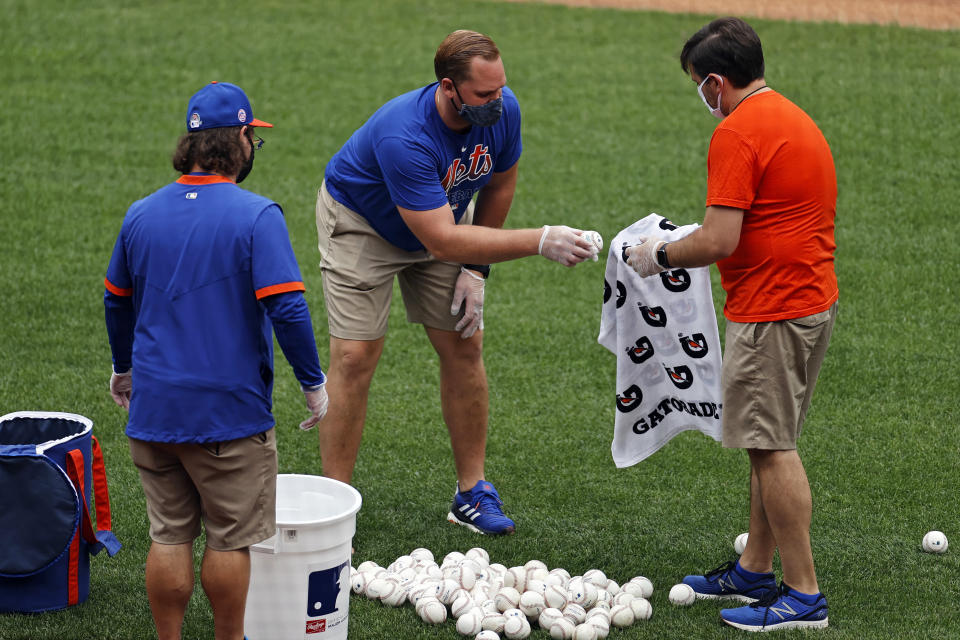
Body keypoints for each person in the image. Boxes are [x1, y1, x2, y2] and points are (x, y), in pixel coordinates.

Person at [315, 29, 597, 536]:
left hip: (442, 215)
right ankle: (334, 510)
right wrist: (540, 240)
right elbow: (441, 240)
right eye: (484, 94)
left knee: (466, 344)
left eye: (501, 88)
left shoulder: (504, 109)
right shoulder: (405, 134)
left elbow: (500, 182)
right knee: (355, 357)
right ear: (449, 87)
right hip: (365, 223)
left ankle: (472, 493)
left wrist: (477, 268)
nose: (498, 101)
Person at [626, 17, 837, 632]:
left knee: (772, 448)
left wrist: (657, 254)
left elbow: (720, 238)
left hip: (774, 311)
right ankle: (753, 568)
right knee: (764, 440)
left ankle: (803, 594)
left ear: (716, 82)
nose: (702, 96)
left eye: (699, 84)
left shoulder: (738, 132)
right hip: (807, 301)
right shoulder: (793, 118)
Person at [103, 81, 329, 640]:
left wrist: (123, 368)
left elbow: (116, 298)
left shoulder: (141, 213)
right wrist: (313, 383)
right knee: (230, 539)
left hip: (154, 411)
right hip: (228, 416)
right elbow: (289, 308)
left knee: (169, 535)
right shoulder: (256, 215)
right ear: (241, 140)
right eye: (255, 137)